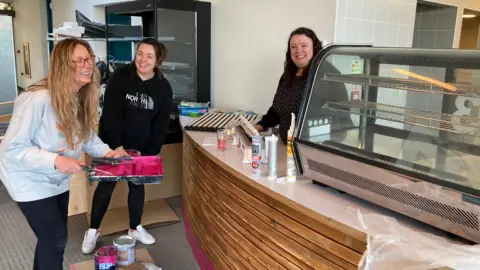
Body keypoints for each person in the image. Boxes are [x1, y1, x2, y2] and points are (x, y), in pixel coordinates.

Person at [0, 38, 124, 270]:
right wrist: (55, 160)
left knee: (54, 238)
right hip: (27, 178)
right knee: (55, 239)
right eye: (78, 60)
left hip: (56, 179)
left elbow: (85, 136)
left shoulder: (79, 95)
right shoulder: (37, 98)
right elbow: (11, 148)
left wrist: (108, 153)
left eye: (89, 59)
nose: (87, 65)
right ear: (62, 65)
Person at [82, 38, 173, 254]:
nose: (142, 59)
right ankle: (93, 231)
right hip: (113, 145)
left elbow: (161, 124)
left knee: (137, 186)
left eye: (149, 56)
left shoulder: (163, 88)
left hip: (141, 148)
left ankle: (135, 227)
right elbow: (111, 113)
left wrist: (150, 154)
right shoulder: (121, 77)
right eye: (140, 53)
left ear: (158, 60)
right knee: (106, 187)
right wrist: (116, 145)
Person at [255, 27, 349, 143]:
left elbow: (342, 119)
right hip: (288, 147)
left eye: (304, 45)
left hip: (314, 149)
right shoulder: (287, 76)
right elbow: (277, 110)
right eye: (293, 47)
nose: (298, 50)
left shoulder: (327, 76)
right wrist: (260, 125)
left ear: (314, 48)